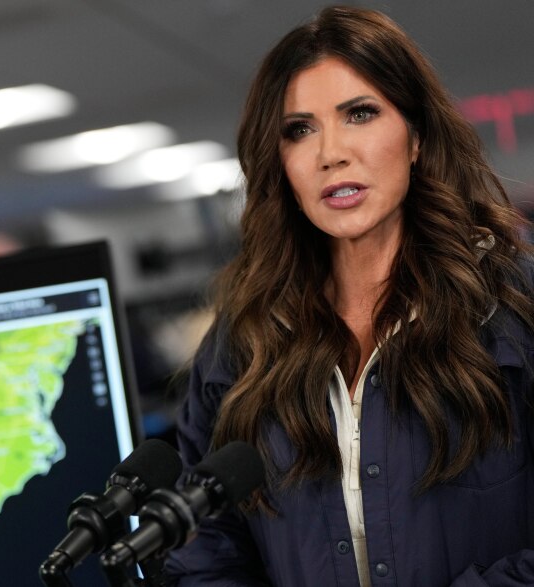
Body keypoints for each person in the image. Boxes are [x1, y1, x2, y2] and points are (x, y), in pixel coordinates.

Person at [164, 5, 534, 586]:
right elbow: (201, 546)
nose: (329, 152)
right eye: (299, 129)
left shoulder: (513, 305)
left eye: (359, 113)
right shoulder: (245, 340)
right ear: (279, 161)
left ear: (415, 136)